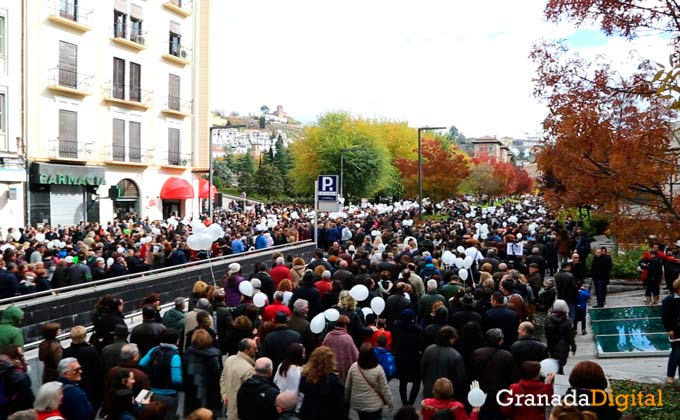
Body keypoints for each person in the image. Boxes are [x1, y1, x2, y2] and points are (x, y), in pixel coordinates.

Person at [470, 329, 518, 419]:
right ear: (499, 341)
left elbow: (472, 373)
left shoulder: (477, 353)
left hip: (481, 391)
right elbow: (513, 377)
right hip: (500, 392)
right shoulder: (507, 355)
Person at [138, 329, 182, 420]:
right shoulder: (175, 356)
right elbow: (176, 379)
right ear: (176, 341)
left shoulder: (154, 349)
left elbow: (142, 363)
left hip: (149, 392)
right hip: (168, 394)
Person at [345, 343, 394, 420]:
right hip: (374, 405)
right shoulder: (378, 369)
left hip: (358, 403)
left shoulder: (354, 367)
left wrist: (347, 399)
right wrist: (390, 403)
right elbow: (385, 389)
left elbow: (348, 386)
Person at [298, 346, 347, 420]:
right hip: (326, 414)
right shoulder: (331, 379)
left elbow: (301, 388)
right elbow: (338, 403)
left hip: (308, 412)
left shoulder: (306, 376)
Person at [420, 326, 466, 403]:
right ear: (451, 338)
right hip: (446, 394)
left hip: (429, 391)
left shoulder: (428, 350)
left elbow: (422, 370)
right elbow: (460, 378)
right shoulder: (455, 355)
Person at [62, 326, 103, 411]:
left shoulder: (66, 352)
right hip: (90, 388)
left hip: (72, 387)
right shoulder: (91, 351)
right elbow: (98, 371)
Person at [183, 329, 222, 417]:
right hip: (210, 391)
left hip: (192, 390)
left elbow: (185, 373)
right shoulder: (214, 355)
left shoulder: (188, 354)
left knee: (193, 415)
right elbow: (217, 375)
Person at [392, 308, 424, 406]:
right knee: (417, 381)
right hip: (414, 358)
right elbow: (421, 345)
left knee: (403, 381)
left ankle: (405, 403)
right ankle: (411, 403)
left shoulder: (397, 328)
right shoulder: (418, 330)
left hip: (401, 358)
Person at [220, 338, 257, 420]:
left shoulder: (229, 360)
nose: (257, 350)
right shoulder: (249, 369)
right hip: (240, 411)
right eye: (254, 348)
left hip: (230, 406)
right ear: (246, 350)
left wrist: (224, 393)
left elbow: (222, 377)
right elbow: (250, 394)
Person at [321, 315, 358, 383]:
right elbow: (355, 356)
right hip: (344, 372)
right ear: (345, 325)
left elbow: (321, 351)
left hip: (330, 372)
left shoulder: (328, 336)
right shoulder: (347, 338)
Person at [544, 299, 576, 375]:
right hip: (563, 346)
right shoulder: (567, 321)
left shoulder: (549, 320)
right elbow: (570, 336)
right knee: (561, 363)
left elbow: (547, 334)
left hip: (552, 345)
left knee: (555, 363)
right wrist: (573, 347)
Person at [273, 343, 304, 407]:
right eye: (303, 353)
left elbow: (275, 381)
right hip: (294, 403)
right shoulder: (300, 371)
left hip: (281, 400)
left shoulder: (281, 366)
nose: (304, 355)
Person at [662, 278, 680, 384]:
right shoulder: (668, 301)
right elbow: (665, 317)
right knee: (676, 352)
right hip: (675, 330)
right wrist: (669, 329)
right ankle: (670, 375)